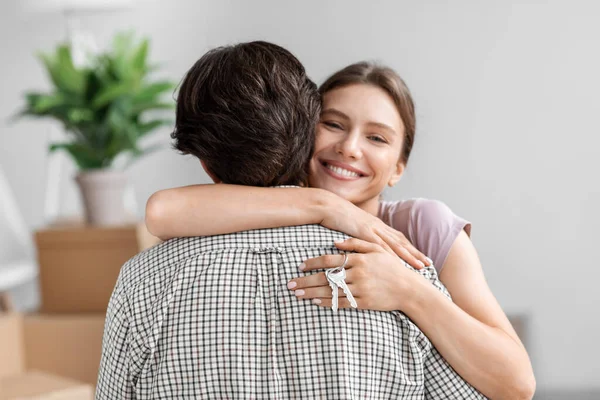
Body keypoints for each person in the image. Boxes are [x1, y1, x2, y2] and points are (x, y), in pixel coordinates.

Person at [96, 41, 485, 399]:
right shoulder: (395, 266)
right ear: (306, 136)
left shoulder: (143, 282)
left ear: (202, 158)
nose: (349, 149)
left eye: (376, 138)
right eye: (334, 125)